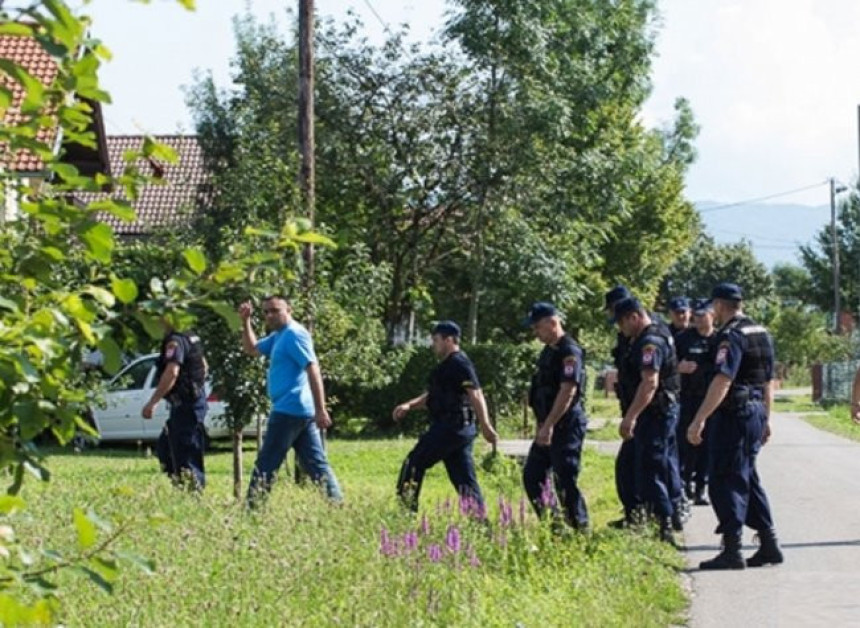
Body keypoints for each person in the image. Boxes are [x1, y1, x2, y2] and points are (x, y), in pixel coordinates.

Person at [687, 282, 783, 570]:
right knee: (747, 477)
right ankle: (768, 543)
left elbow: (723, 380)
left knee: (725, 478)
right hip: (754, 413)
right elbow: (767, 381)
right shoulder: (761, 332)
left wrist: (699, 418)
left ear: (719, 305)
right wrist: (766, 418)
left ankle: (732, 549)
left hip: (735, 415)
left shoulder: (730, 336)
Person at [239, 296, 342, 505]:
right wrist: (245, 321)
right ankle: (337, 504)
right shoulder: (279, 336)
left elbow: (312, 368)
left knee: (267, 462)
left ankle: (252, 509)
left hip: (288, 410)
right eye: (266, 312)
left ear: (289, 310)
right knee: (316, 464)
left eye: (275, 310)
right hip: (299, 411)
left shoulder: (294, 334)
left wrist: (321, 409)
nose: (270, 315)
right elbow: (252, 349)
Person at [393, 321, 498, 512]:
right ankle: (481, 525)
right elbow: (433, 397)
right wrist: (409, 405)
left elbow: (476, 393)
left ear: (449, 340)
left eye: (436, 340)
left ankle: (405, 513)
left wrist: (486, 425)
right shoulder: (446, 366)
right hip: (458, 429)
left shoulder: (460, 363)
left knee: (414, 463)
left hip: (451, 427)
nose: (433, 345)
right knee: (464, 479)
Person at [613, 297, 681, 543]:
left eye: (621, 323)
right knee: (648, 465)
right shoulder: (655, 332)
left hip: (653, 414)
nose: (620, 329)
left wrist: (630, 417)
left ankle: (664, 526)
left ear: (634, 317)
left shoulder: (649, 342)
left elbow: (650, 382)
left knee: (651, 469)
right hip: (658, 412)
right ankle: (665, 517)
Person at [521, 302, 590, 530]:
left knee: (564, 478)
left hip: (565, 425)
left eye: (538, 327)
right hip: (547, 425)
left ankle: (579, 527)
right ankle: (555, 525)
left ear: (553, 323)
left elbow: (567, 390)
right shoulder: (548, 352)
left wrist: (549, 424)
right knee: (533, 476)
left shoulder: (569, 351)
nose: (535, 333)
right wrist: (541, 423)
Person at [142, 322, 208, 490]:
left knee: (186, 452)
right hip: (187, 403)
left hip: (188, 404)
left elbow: (171, 372)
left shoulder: (176, 340)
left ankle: (193, 493)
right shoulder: (189, 336)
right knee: (166, 448)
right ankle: (181, 486)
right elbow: (204, 365)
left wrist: (153, 402)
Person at [675, 298, 716, 505]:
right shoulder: (683, 339)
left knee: (706, 445)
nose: (698, 320)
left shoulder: (719, 339)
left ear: (712, 316)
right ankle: (684, 485)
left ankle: (701, 487)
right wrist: (677, 367)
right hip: (688, 398)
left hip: (710, 401)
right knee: (686, 443)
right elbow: (667, 363)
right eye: (696, 316)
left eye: (702, 316)